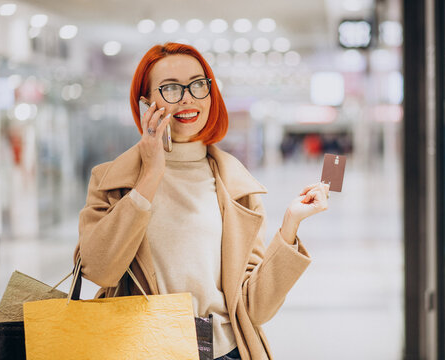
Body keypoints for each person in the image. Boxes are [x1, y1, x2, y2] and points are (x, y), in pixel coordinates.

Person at [73, 42, 329, 360]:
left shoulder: (238, 187)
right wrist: (150, 174)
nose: (188, 98)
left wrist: (290, 225)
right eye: (170, 88)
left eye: (197, 84)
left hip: (224, 351)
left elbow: (255, 308)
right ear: (145, 103)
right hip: (142, 348)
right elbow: (99, 269)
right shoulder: (112, 181)